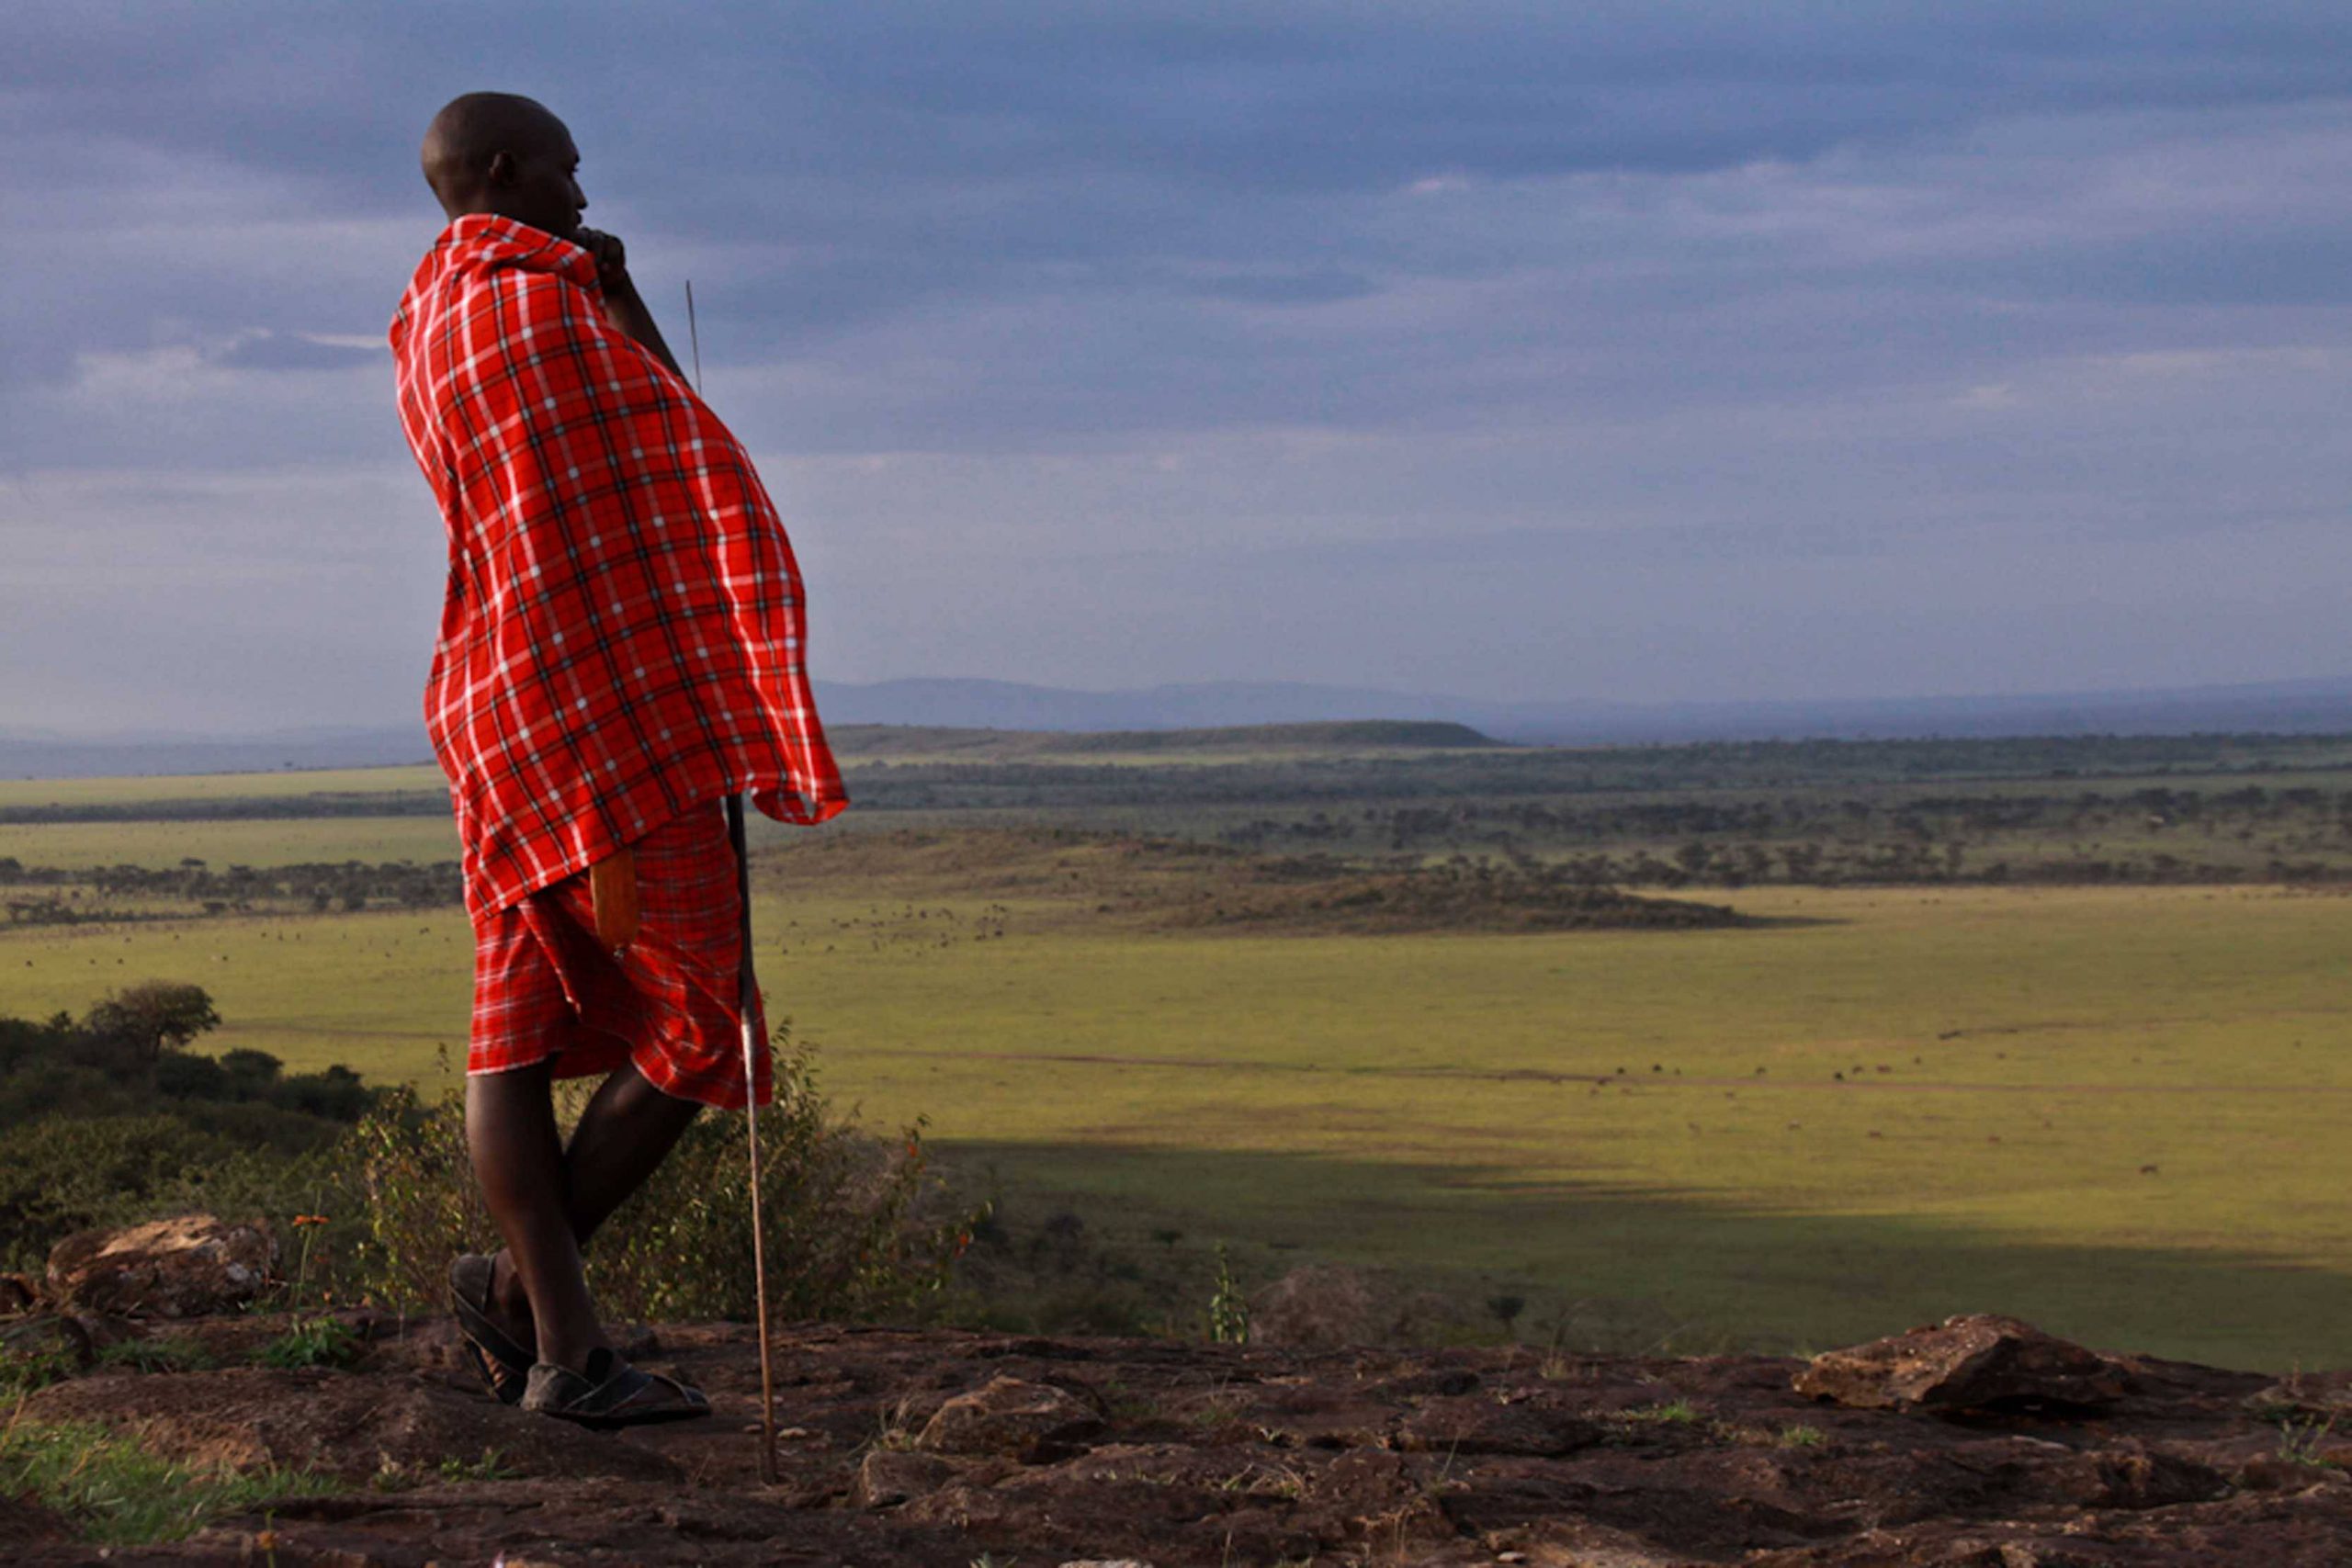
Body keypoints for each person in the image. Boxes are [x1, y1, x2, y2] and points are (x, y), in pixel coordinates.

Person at [389, 93, 847, 1427]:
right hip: (609, 710)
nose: (586, 201)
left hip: (498, 704)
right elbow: (682, 448)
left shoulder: (431, 320)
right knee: (708, 1019)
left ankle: (560, 1340)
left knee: (514, 1030)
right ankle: (533, 1311)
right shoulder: (546, 310)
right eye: (570, 176)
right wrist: (621, 292)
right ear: (504, 170)